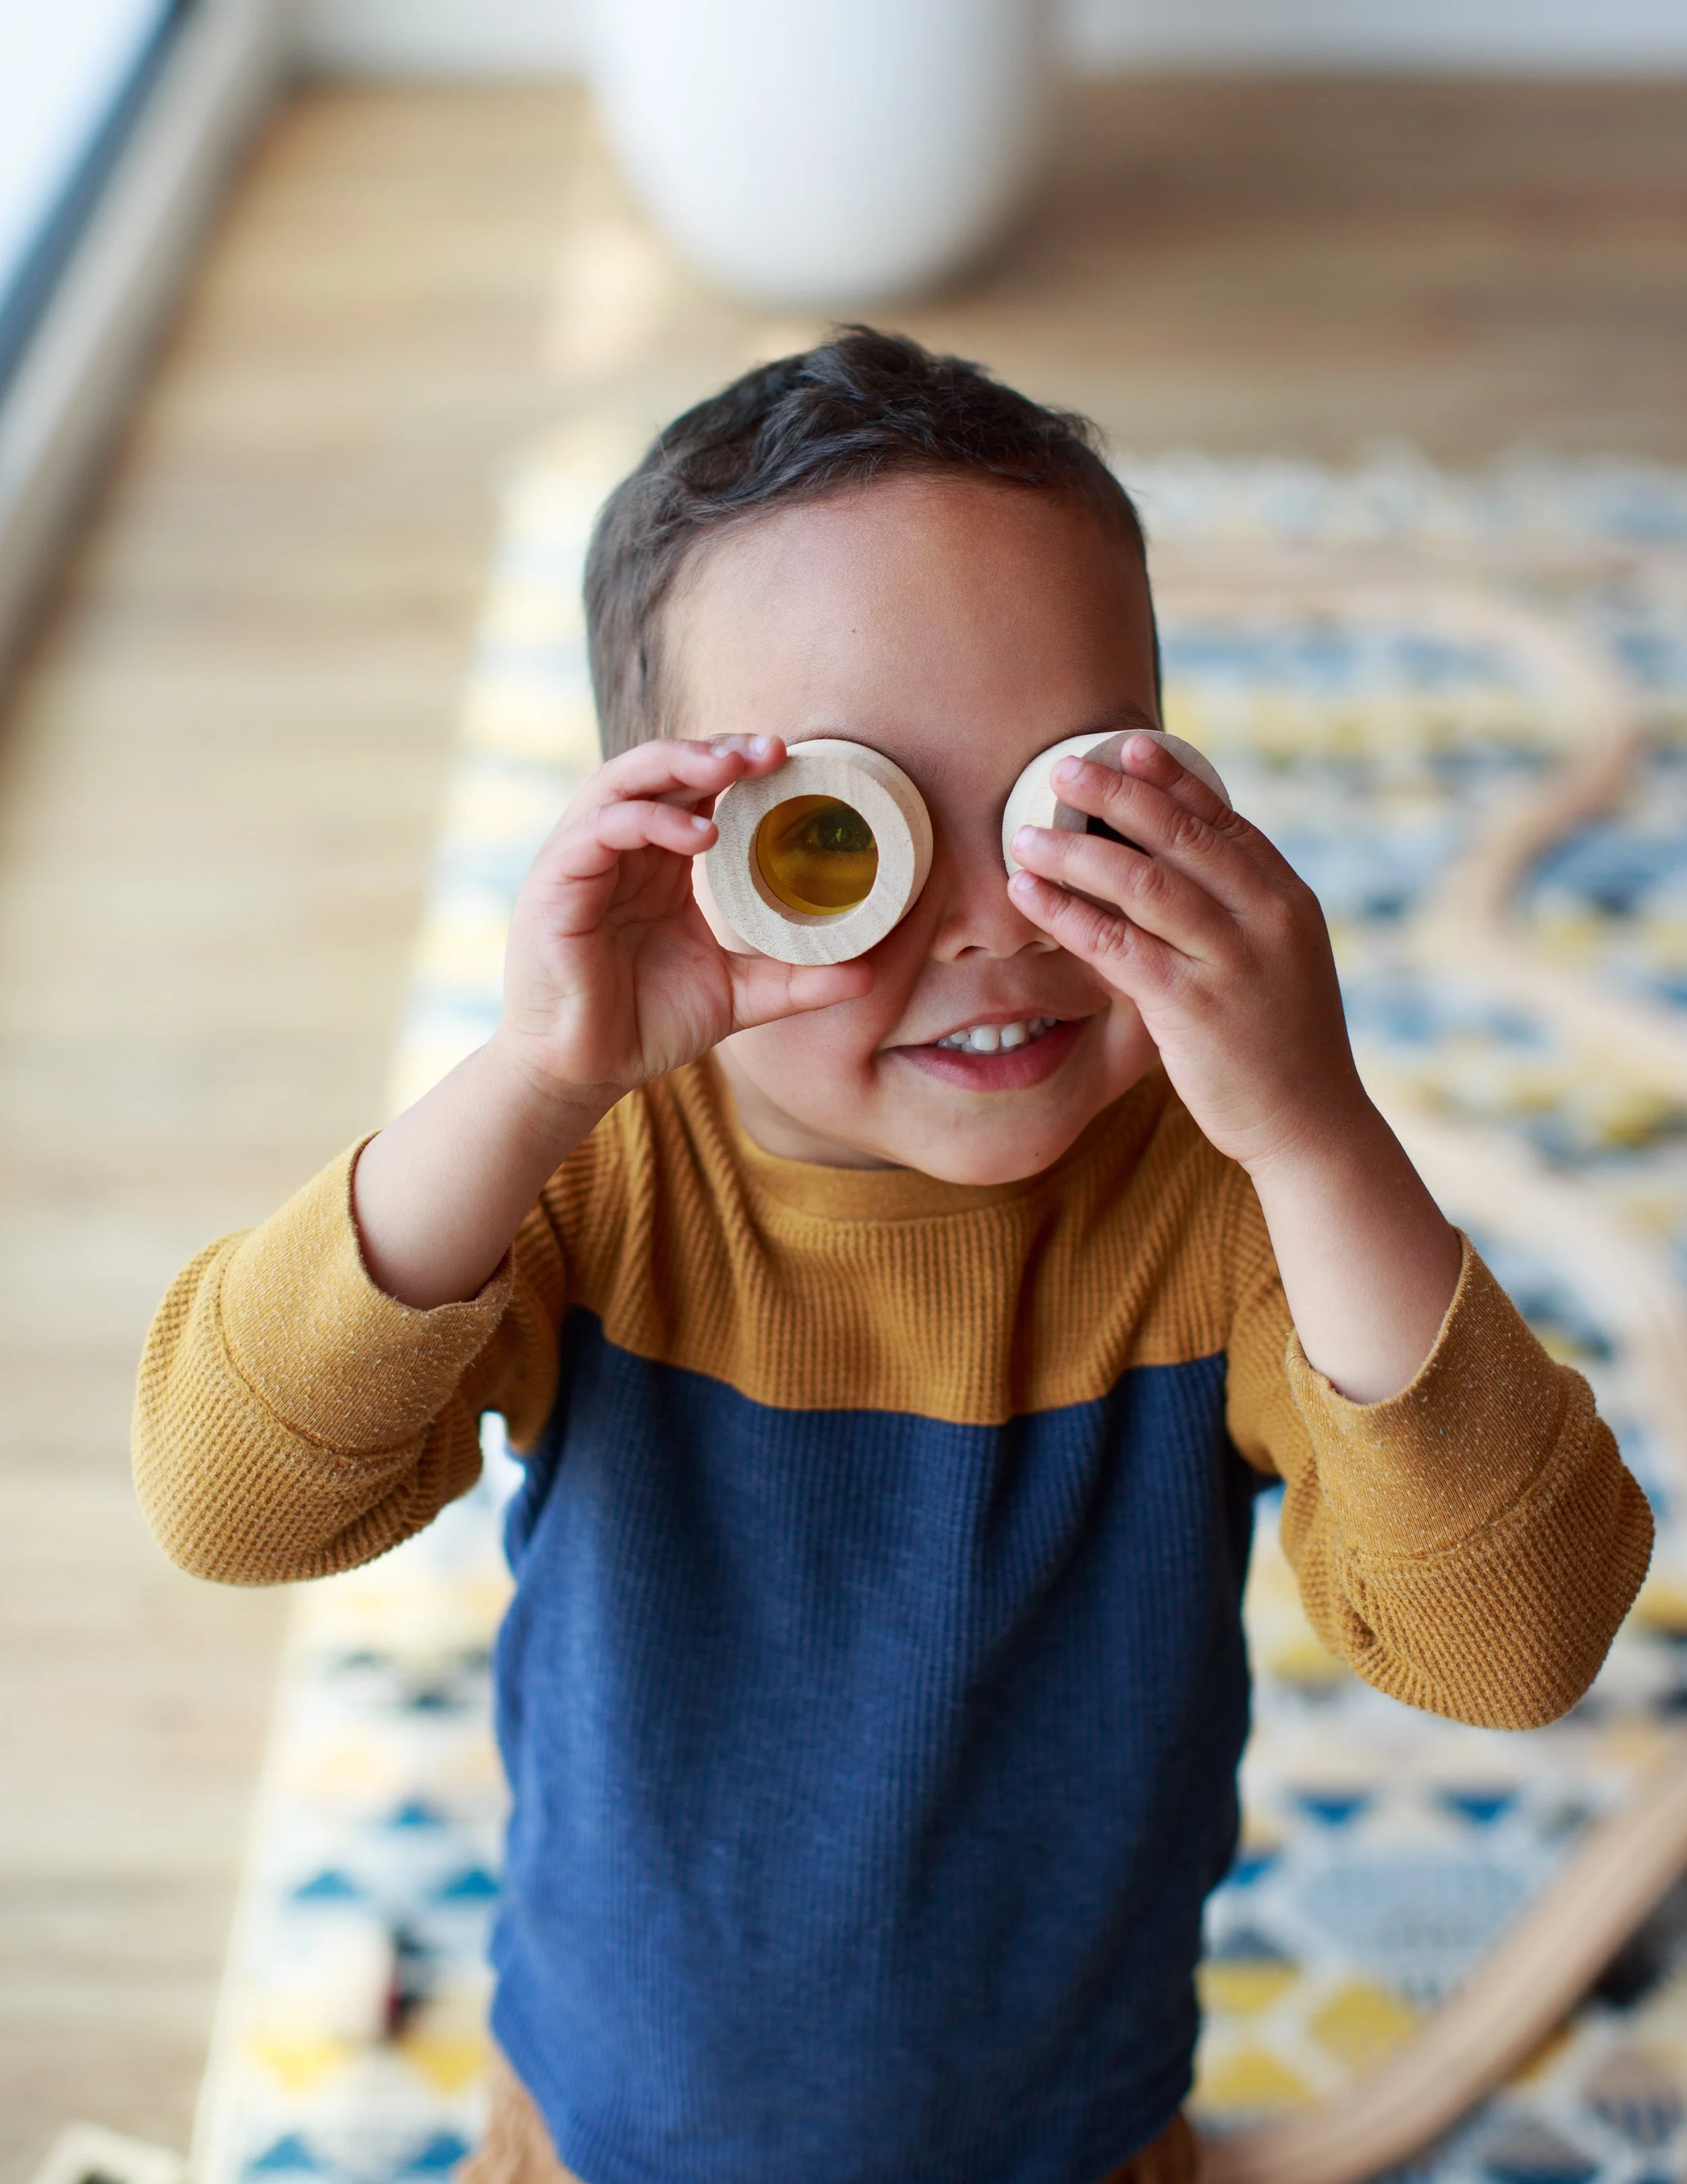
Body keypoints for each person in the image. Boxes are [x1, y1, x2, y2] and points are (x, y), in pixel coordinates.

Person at [134, 330, 1651, 2184]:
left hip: (1069, 2143)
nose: (992, 926)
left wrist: (1314, 1126)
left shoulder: (1216, 1200)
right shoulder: (604, 1165)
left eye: (1067, 814)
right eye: (846, 834)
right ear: (695, 857)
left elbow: (1513, 1641)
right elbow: (232, 1501)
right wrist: (529, 1076)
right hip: (595, 2141)